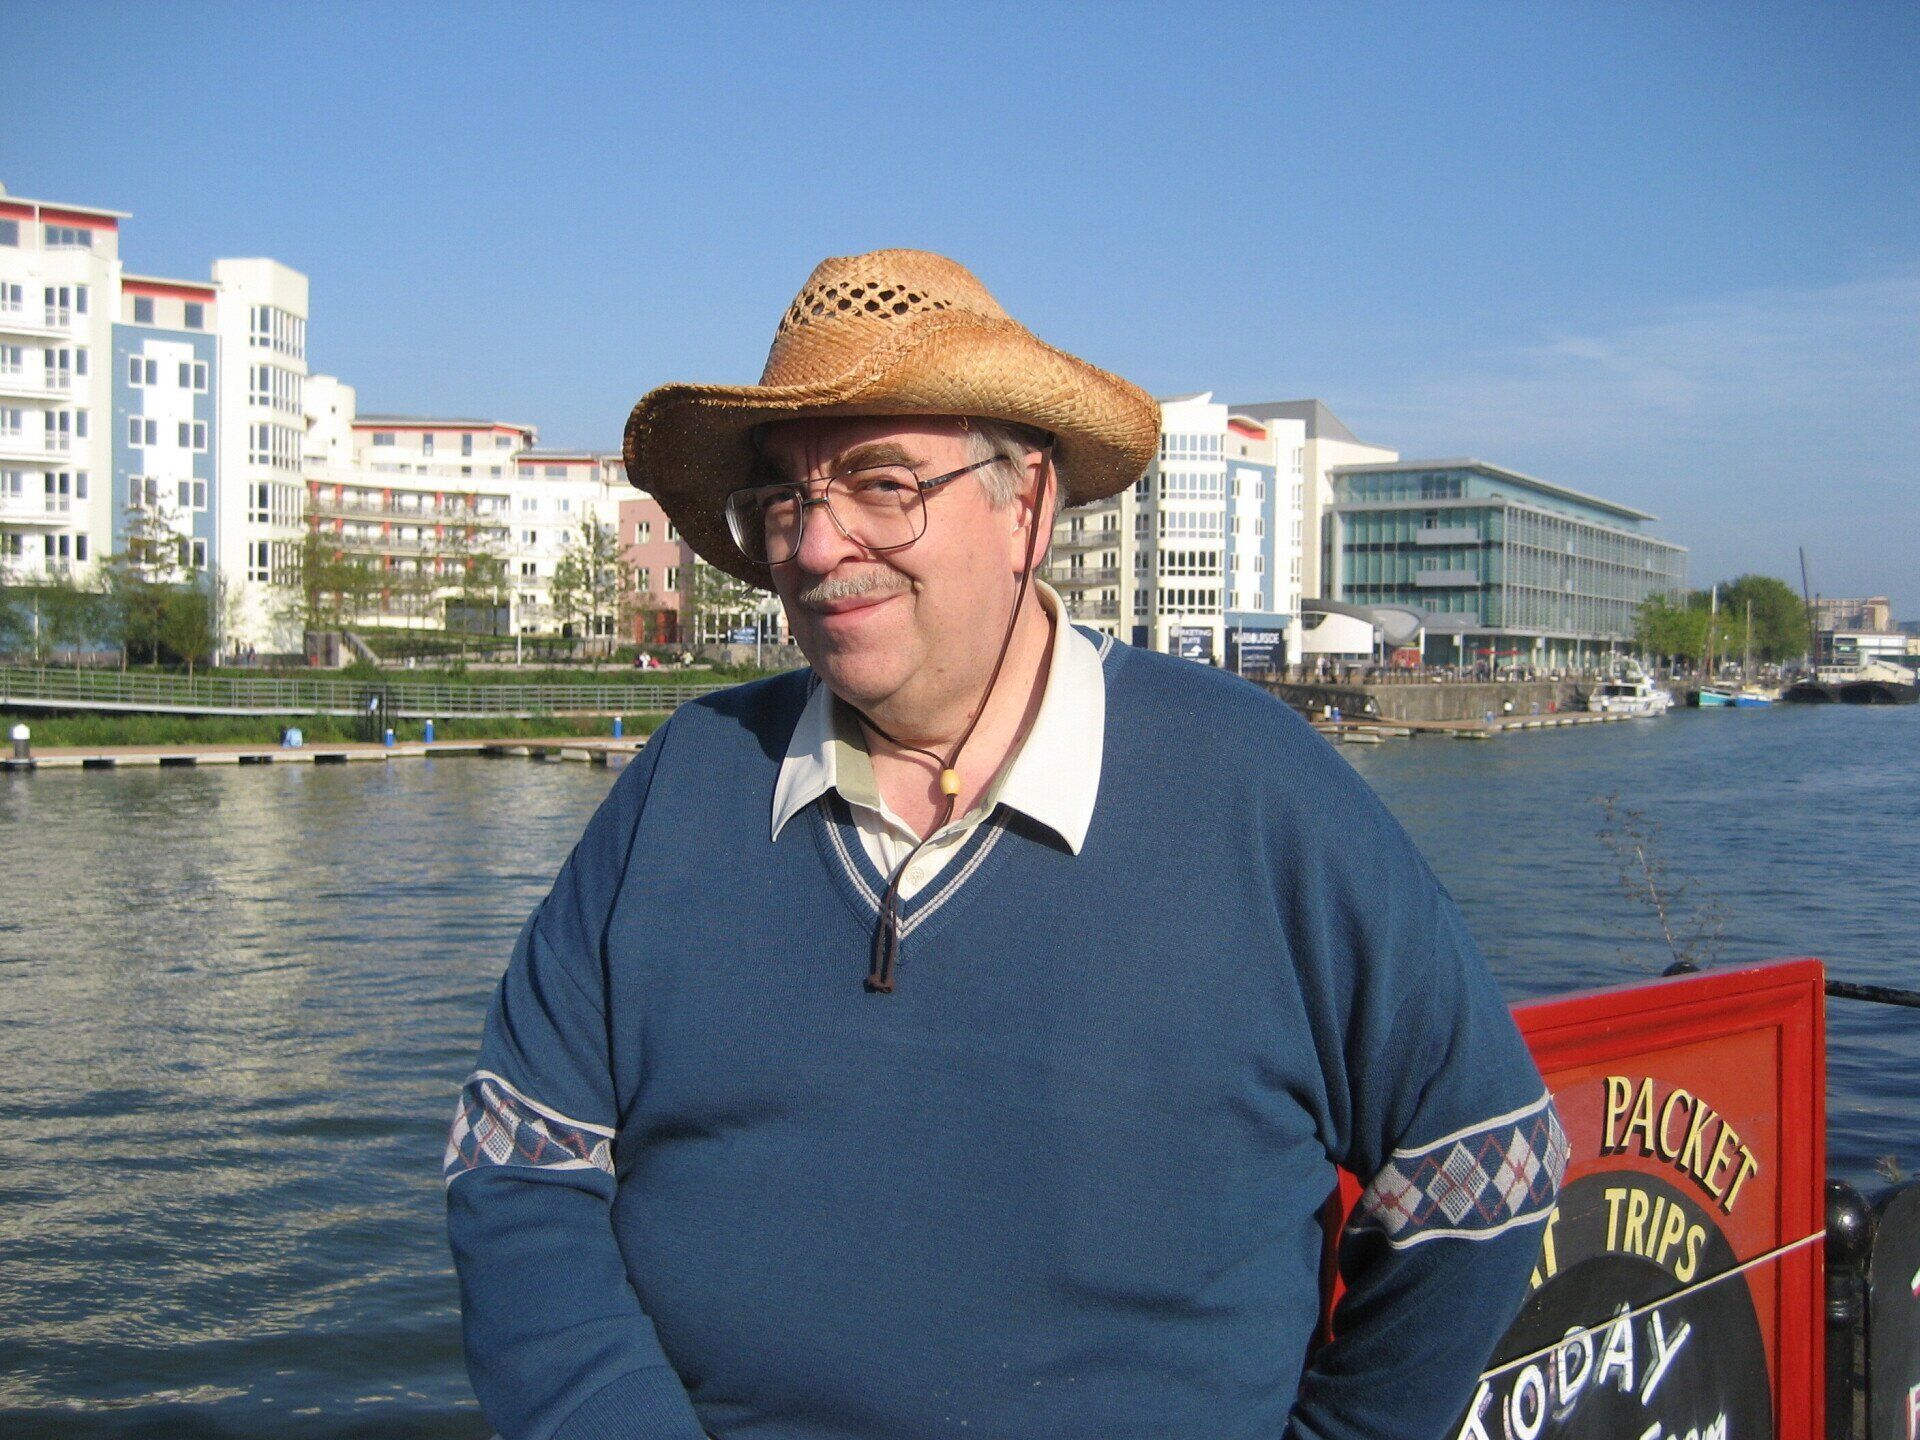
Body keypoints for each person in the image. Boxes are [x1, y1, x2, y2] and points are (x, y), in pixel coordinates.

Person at [445, 250, 1564, 1440]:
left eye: (882, 485)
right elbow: (516, 1166)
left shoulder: (1254, 790)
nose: (817, 549)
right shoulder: (685, 783)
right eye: (786, 498)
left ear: (1025, 502)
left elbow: (1485, 1165)